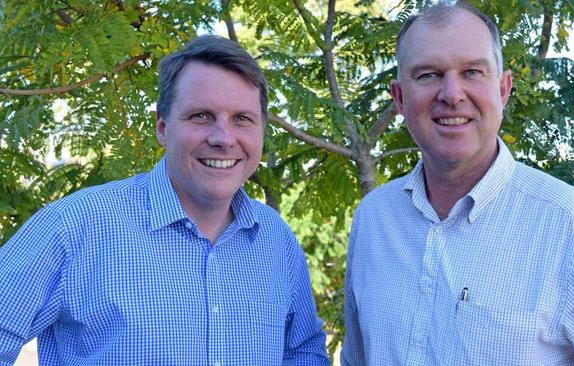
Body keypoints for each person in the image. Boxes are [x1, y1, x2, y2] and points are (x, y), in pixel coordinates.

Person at [341, 2, 574, 365]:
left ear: (503, 90)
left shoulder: (573, 227)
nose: (452, 94)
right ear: (399, 98)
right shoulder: (374, 219)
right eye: (428, 75)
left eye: (472, 71)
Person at [0, 35, 329, 365]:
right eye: (201, 116)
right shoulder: (73, 229)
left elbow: (302, 353)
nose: (223, 138)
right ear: (162, 126)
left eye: (241, 119)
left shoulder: (276, 239)